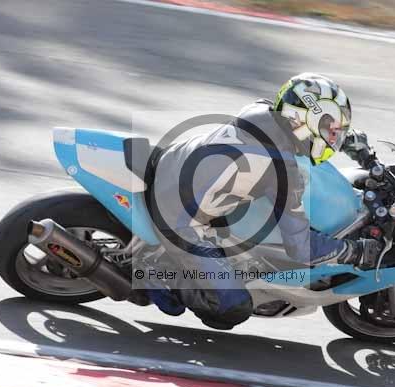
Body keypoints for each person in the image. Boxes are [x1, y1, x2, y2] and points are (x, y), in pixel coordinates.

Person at [144, 73, 383, 330]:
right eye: (329, 129)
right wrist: (353, 251)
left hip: (173, 164)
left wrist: (347, 143)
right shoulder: (280, 170)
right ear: (303, 121)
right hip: (176, 218)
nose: (332, 137)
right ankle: (155, 277)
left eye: (335, 130)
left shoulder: (262, 111)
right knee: (233, 307)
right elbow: (301, 248)